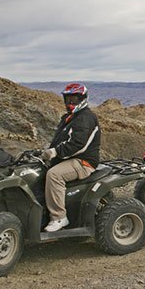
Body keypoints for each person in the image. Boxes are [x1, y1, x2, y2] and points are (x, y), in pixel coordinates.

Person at [41, 83, 101, 232]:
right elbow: (60, 140)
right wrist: (45, 152)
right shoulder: (69, 117)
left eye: (74, 99)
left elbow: (78, 145)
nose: (70, 103)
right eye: (67, 99)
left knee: (54, 175)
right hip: (69, 159)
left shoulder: (86, 118)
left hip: (83, 162)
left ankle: (59, 217)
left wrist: (54, 152)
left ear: (82, 99)